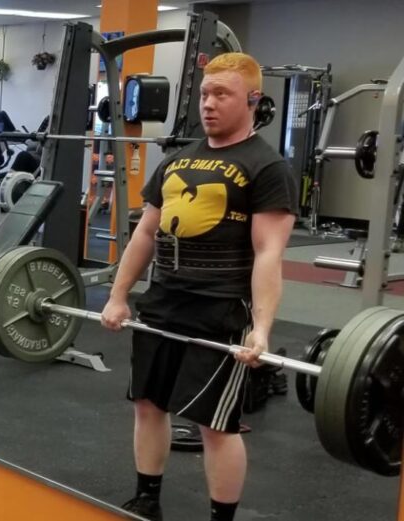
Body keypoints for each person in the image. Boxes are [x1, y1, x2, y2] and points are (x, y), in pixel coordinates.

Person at [100, 52, 297, 521]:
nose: (208, 103)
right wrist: (118, 295)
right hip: (164, 300)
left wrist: (262, 329)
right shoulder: (177, 159)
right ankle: (147, 498)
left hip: (222, 308)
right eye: (205, 93)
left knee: (215, 424)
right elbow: (145, 234)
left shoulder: (267, 167)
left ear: (253, 100)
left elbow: (268, 253)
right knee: (148, 405)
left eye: (222, 94)